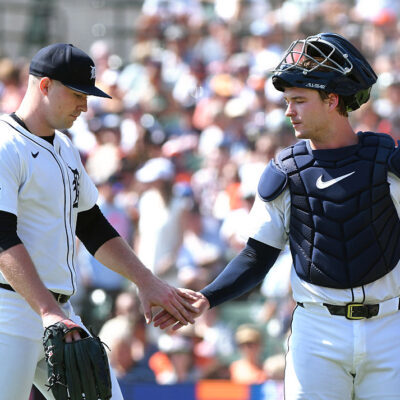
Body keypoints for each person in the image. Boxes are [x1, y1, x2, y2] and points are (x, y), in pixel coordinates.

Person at [154, 32, 400, 399]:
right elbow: (257, 254)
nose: (289, 111)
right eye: (287, 100)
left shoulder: (387, 162)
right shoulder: (285, 171)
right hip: (318, 332)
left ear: (332, 100)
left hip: (390, 327)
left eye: (299, 100)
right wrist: (207, 297)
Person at [0, 42, 198, 400]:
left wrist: (146, 280)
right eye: (77, 93)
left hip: (59, 310)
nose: (85, 105)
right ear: (45, 86)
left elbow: (91, 225)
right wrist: (47, 311)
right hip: (9, 310)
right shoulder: (4, 144)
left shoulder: (65, 147)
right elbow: (0, 237)